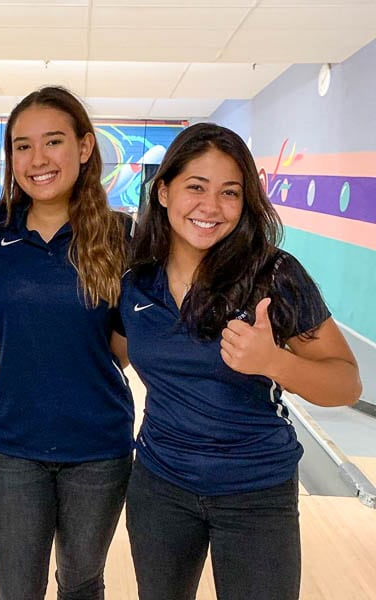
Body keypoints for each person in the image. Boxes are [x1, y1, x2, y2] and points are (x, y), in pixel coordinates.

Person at [115, 122, 362, 600]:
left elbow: (347, 383)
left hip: (257, 493)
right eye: (195, 187)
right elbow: (111, 355)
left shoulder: (274, 275)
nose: (211, 207)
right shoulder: (137, 282)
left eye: (230, 193)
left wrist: (275, 362)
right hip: (160, 488)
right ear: (163, 192)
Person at [0, 86, 133, 599]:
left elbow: (125, 345)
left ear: (85, 147)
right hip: (15, 446)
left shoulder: (118, 234)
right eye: (22, 146)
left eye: (53, 142)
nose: (37, 159)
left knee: (82, 583)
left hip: (98, 449)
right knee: (16, 590)